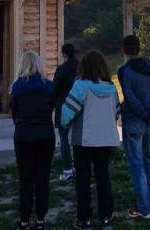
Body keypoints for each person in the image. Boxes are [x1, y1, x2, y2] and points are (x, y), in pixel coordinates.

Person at [61, 50, 120, 230]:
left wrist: (65, 124)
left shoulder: (80, 86)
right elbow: (116, 112)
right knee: (103, 177)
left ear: (83, 66)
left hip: (83, 140)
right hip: (106, 138)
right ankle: (105, 217)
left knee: (83, 180)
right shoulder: (111, 88)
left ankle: (84, 218)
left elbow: (66, 113)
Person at [118, 35, 150, 220]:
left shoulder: (125, 71)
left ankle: (144, 208)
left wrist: (146, 114)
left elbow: (130, 97)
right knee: (147, 159)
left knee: (136, 164)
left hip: (133, 121)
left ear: (124, 50)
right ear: (139, 48)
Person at [9, 51, 56, 230]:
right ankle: (41, 219)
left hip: (23, 134)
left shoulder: (16, 87)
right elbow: (52, 107)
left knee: (25, 179)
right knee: (43, 178)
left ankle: (24, 220)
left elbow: (14, 113)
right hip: (45, 134)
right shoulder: (49, 86)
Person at [53, 43, 79, 182]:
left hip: (63, 106)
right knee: (78, 138)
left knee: (64, 140)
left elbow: (55, 89)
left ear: (64, 54)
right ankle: (81, 167)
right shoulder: (81, 69)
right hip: (79, 107)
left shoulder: (61, 70)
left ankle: (67, 169)